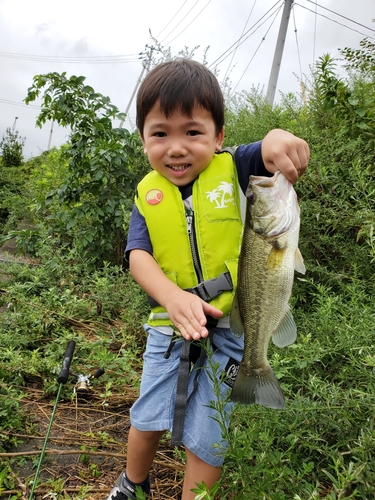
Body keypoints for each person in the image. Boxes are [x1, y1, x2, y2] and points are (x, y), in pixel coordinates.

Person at [106, 58, 309, 500]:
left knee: (210, 432)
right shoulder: (148, 196)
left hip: (234, 332)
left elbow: (268, 149)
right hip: (168, 327)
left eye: (193, 132)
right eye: (160, 133)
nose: (176, 147)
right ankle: (132, 484)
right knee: (147, 417)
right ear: (143, 140)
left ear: (218, 137)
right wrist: (171, 297)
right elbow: (138, 255)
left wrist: (278, 140)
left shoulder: (236, 168)